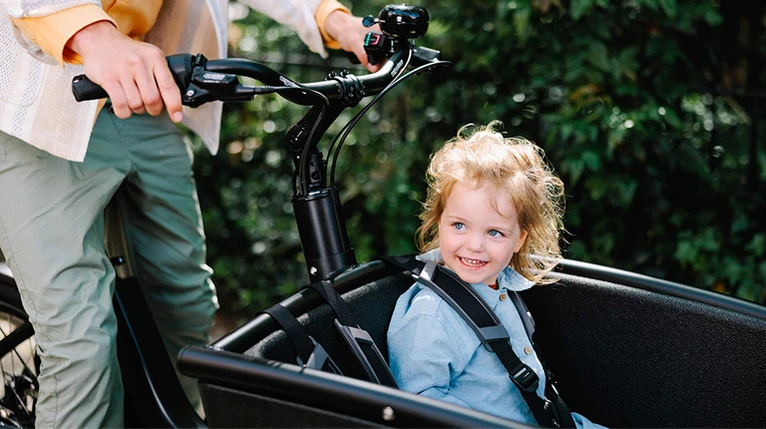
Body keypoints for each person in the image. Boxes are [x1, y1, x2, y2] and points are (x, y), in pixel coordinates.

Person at [0, 0, 379, 427]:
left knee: (186, 304)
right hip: (33, 105)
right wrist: (94, 35)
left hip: (137, 94)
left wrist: (334, 21)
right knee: (79, 340)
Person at [386, 121, 604, 428]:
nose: (474, 246)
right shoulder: (431, 315)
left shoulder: (505, 286)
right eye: (459, 225)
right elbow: (420, 403)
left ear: (519, 239)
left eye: (494, 232)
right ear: (439, 222)